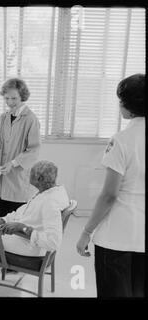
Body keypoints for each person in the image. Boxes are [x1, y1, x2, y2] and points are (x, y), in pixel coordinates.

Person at [76, 74, 145, 298]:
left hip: (117, 237)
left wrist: (86, 232)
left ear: (128, 105)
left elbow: (109, 195)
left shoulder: (122, 140)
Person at [0, 161, 69, 257]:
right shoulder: (48, 192)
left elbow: (53, 242)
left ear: (39, 179)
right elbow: (20, 213)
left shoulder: (50, 203)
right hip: (22, 238)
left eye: (30, 173)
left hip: (27, 245)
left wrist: (22, 228)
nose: (27, 175)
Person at [0, 78, 41, 218]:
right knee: (2, 213)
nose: (10, 102)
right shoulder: (4, 117)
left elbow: (34, 149)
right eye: (7, 98)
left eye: (14, 98)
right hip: (3, 173)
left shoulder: (31, 119)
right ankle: (0, 239)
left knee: (14, 215)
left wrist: (13, 164)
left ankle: (10, 240)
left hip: (17, 175)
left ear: (23, 96)